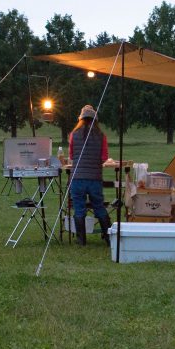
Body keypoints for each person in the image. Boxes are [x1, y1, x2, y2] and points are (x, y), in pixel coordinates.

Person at [68, 104, 111, 245]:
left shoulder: (73, 135)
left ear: (81, 119)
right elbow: (104, 157)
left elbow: (72, 155)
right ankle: (109, 237)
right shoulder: (101, 136)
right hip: (94, 178)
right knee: (99, 207)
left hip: (77, 178)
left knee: (79, 208)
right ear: (95, 120)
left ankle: (81, 240)